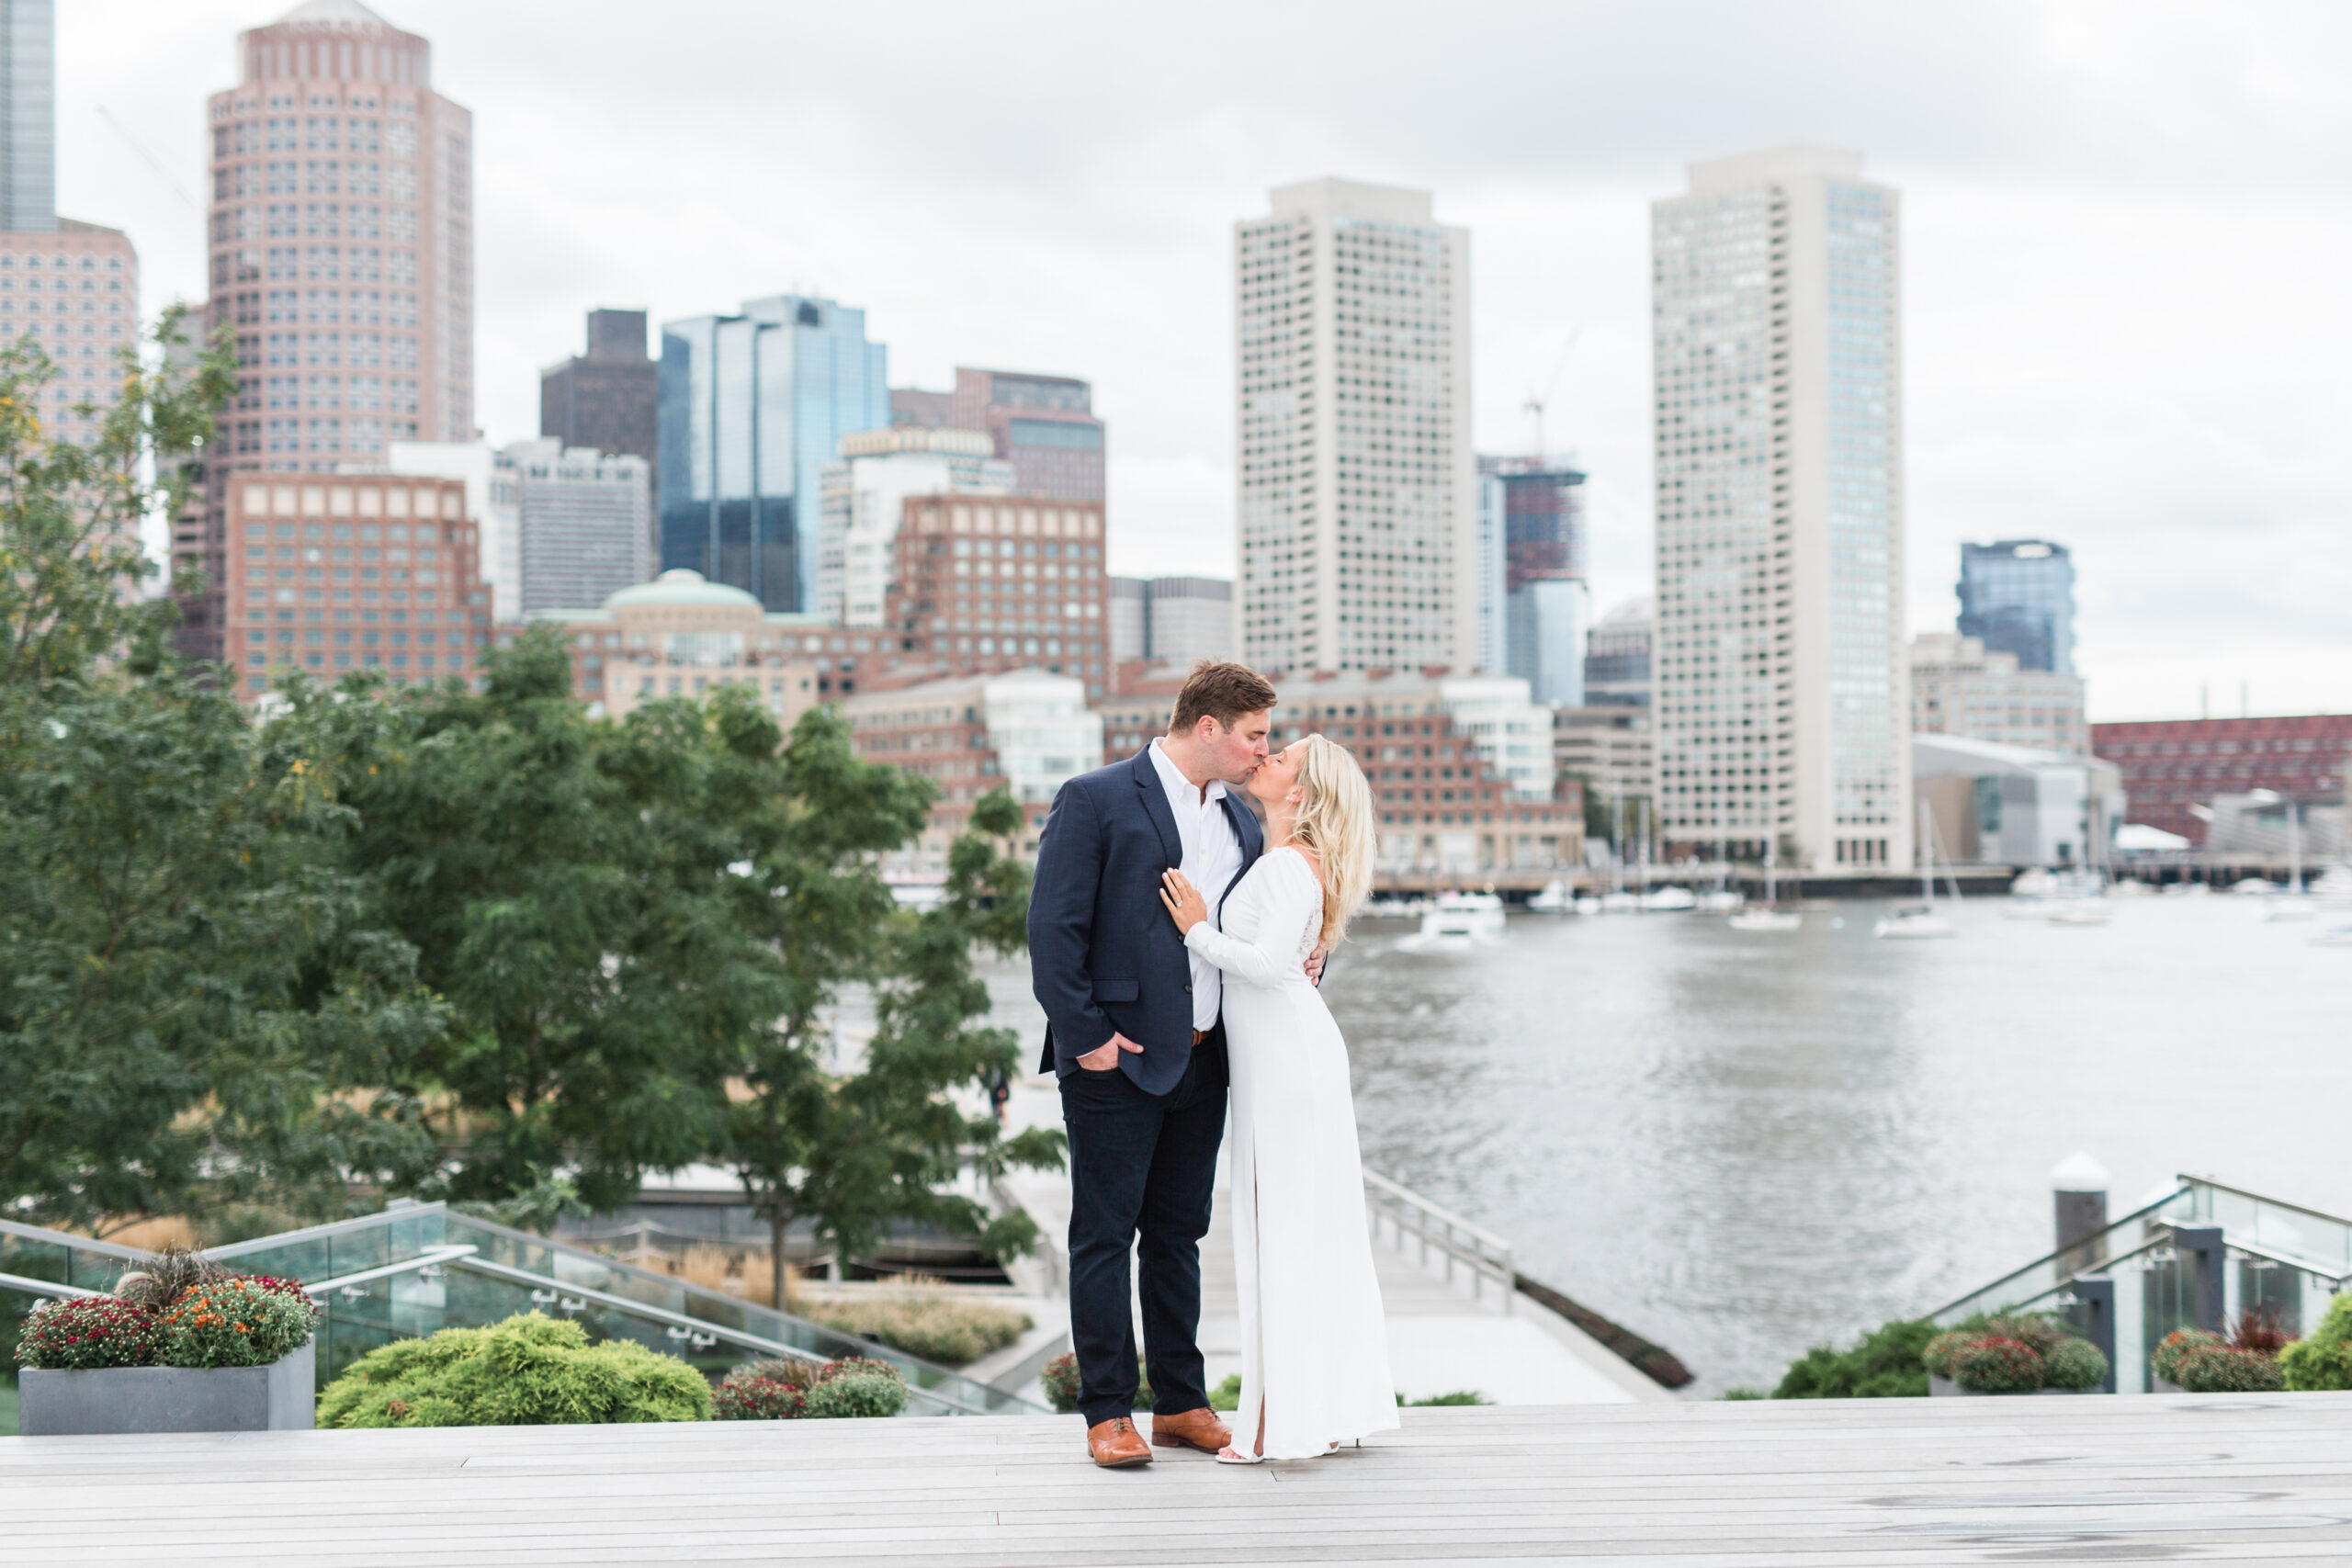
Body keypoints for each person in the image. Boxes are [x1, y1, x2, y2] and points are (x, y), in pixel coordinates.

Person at [1029, 661, 1323, 1469]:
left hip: (1207, 1055)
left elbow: (1260, 912)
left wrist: (1312, 941)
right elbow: (1052, 932)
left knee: (1177, 1236)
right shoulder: (1094, 798)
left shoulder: (1237, 813)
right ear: (1208, 728)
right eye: (1255, 734)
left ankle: (1182, 1402)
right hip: (1114, 1059)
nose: (1264, 750)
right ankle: (1107, 1411)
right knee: (1102, 1235)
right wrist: (1085, 1036)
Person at [1158, 732, 1396, 1463]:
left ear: (1300, 792)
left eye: (1281, 756)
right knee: (1298, 1228)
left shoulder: (1292, 864)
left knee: (1283, 1232)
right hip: (1282, 1057)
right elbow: (1287, 956)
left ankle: (1274, 1423)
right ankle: (1316, 1408)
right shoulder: (1283, 858)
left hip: (1290, 1060)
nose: (1266, 758)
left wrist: (1197, 927)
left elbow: (1264, 966)